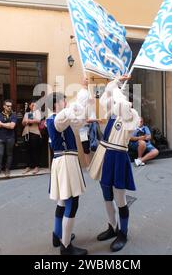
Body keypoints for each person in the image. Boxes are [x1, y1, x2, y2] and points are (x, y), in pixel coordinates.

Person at [88, 75, 140, 253]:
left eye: (125, 97)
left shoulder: (131, 115)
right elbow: (104, 99)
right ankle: (112, 226)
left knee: (120, 197)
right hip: (106, 154)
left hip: (118, 156)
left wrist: (117, 88)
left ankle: (123, 233)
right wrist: (115, 82)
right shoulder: (113, 113)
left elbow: (119, 102)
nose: (120, 99)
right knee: (106, 193)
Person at [46, 81, 90, 255]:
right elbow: (72, 110)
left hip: (61, 161)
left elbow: (77, 119)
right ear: (57, 104)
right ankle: (65, 246)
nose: (66, 102)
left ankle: (57, 236)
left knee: (62, 202)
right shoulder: (58, 118)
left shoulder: (58, 119)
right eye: (63, 100)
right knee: (72, 203)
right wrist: (83, 89)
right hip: (66, 162)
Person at [0, 100, 17, 177]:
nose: (9, 107)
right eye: (8, 106)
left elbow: (12, 126)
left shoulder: (13, 115)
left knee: (9, 154)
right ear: (4, 106)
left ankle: (7, 169)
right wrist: (7, 124)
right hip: (1, 138)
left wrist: (2, 124)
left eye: (10, 106)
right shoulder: (0, 114)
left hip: (10, 138)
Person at [22, 100, 42, 175]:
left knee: (35, 150)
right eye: (33, 105)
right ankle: (28, 166)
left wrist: (29, 121)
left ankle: (36, 166)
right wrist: (25, 121)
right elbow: (23, 122)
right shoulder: (27, 113)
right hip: (27, 133)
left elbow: (38, 120)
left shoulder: (37, 112)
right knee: (28, 150)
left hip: (35, 133)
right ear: (30, 106)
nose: (34, 106)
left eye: (35, 105)